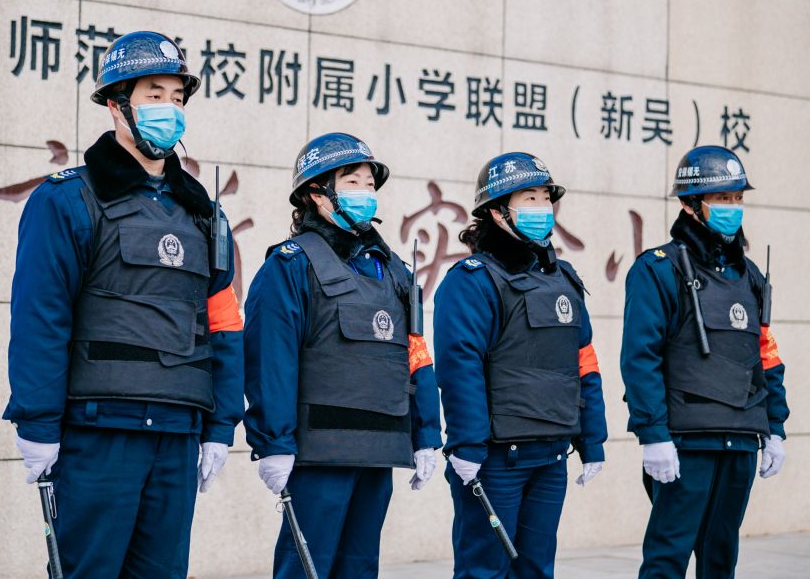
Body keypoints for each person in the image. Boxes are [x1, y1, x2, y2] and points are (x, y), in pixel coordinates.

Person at [2, 31, 244, 578]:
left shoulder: (204, 215)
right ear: (117, 105)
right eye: (154, 95)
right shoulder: (67, 199)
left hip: (177, 432)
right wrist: (38, 422)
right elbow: (41, 318)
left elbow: (224, 325)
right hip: (99, 432)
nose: (169, 109)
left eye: (177, 97)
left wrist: (221, 424)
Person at [243, 132, 442, 578]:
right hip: (320, 455)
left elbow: (416, 357)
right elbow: (270, 362)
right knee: (307, 569)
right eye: (353, 183)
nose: (366, 193)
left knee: (359, 568)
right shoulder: (290, 265)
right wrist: (274, 443)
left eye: (370, 184)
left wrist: (427, 431)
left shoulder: (394, 271)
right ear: (317, 194)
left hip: (380, 449)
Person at [435, 152, 607, 579]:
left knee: (536, 569)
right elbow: (460, 368)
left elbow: (583, 361)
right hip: (496, 460)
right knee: (485, 570)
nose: (542, 208)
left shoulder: (563, 278)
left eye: (546, 199)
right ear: (498, 212)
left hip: (551, 454)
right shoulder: (472, 280)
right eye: (529, 199)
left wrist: (592, 438)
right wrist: (467, 445)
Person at [621, 145, 789, 578]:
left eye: (737, 198)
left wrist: (775, 426)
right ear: (689, 204)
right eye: (721, 198)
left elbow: (765, 356)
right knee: (668, 557)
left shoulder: (750, 275)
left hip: (741, 438)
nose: (733, 207)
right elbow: (640, 359)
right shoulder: (658, 269)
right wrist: (653, 435)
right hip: (686, 442)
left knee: (720, 559)